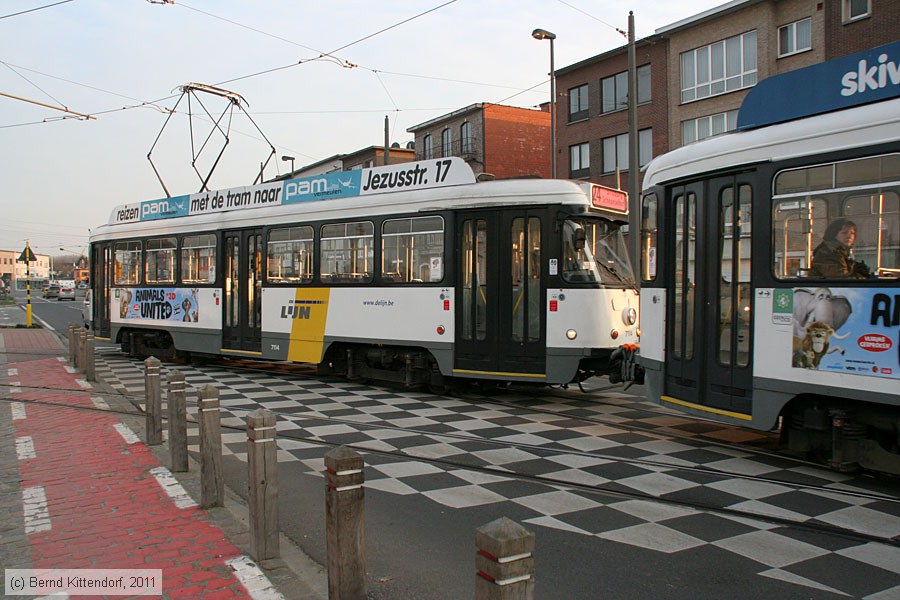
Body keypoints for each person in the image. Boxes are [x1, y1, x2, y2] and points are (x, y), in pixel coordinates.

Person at [809, 218, 873, 279]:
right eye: (844, 233)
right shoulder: (827, 253)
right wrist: (861, 276)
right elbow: (841, 281)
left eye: (852, 233)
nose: (849, 236)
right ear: (834, 234)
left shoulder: (842, 253)